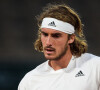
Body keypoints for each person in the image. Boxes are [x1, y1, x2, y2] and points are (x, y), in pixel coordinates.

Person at [18, 3, 100, 90]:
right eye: (45, 34)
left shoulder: (95, 66)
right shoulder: (30, 80)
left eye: (56, 36)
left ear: (71, 38)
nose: (48, 42)